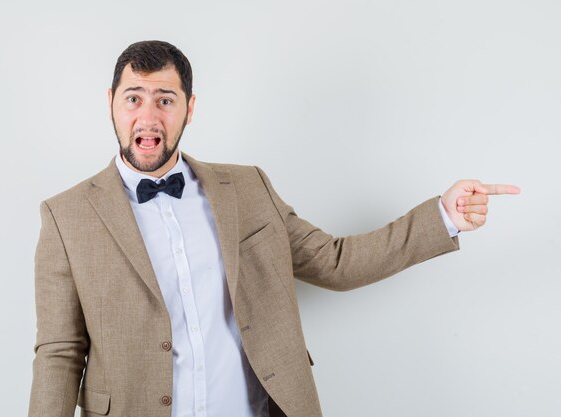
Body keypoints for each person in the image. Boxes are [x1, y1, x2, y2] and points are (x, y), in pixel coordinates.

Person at [27, 40, 520, 417]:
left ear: (189, 108)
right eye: (134, 98)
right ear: (111, 102)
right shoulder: (65, 216)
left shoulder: (246, 188)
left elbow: (335, 261)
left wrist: (443, 215)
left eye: (165, 99)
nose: (148, 114)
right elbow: (59, 353)